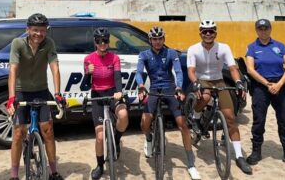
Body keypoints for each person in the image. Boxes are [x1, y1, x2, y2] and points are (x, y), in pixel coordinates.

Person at [187, 20, 252, 175]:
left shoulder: (223, 48)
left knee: (230, 118)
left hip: (219, 80)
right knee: (206, 95)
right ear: (200, 33)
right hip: (202, 78)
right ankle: (196, 117)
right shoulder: (194, 49)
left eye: (211, 31)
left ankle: (239, 156)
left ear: (216, 32)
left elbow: (233, 68)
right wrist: (195, 83)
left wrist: (238, 82)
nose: (208, 34)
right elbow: (191, 70)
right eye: (205, 31)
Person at [136, 26, 201, 180]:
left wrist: (179, 87)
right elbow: (139, 72)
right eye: (154, 39)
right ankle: (149, 138)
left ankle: (191, 164)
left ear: (163, 39)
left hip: (170, 89)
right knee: (145, 123)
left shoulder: (171, 53)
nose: (157, 42)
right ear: (150, 40)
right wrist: (140, 86)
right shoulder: (144, 54)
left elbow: (178, 71)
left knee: (182, 124)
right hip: (153, 89)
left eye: (160, 39)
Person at [5, 13, 65, 180]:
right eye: (35, 30)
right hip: (21, 90)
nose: (39, 34)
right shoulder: (18, 43)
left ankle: (53, 172)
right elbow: (13, 70)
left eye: (43, 30)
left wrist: (58, 94)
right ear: (28, 30)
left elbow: (54, 67)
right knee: (18, 133)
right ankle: (14, 174)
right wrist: (11, 97)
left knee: (48, 130)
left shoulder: (49, 43)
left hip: (41, 90)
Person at [245, 19, 285, 170]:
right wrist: (267, 84)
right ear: (256, 30)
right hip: (261, 87)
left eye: (266, 28)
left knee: (284, 121)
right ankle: (256, 151)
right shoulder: (252, 47)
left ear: (270, 29)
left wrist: (279, 84)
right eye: (260, 28)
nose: (263, 31)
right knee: (259, 121)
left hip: (281, 86)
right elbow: (250, 69)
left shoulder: (280, 46)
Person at [84, 27, 130, 179]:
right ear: (95, 42)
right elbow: (85, 85)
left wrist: (119, 91)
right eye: (99, 41)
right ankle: (99, 165)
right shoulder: (89, 59)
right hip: (97, 94)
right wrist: (88, 73)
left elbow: (117, 78)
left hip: (112, 92)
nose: (102, 43)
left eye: (105, 40)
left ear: (109, 41)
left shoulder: (114, 58)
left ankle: (116, 140)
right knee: (99, 136)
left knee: (123, 115)